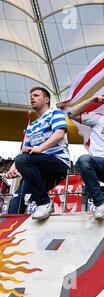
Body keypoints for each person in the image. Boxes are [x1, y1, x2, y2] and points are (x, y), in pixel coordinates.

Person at [6, 87, 70, 219]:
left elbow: (59, 134)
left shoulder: (55, 113)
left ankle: (44, 203)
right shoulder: (31, 126)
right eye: (31, 96)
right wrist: (12, 168)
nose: (32, 98)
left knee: (23, 160)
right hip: (36, 167)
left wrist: (39, 148)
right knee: (15, 203)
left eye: (36, 95)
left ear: (46, 100)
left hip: (57, 162)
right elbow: (23, 150)